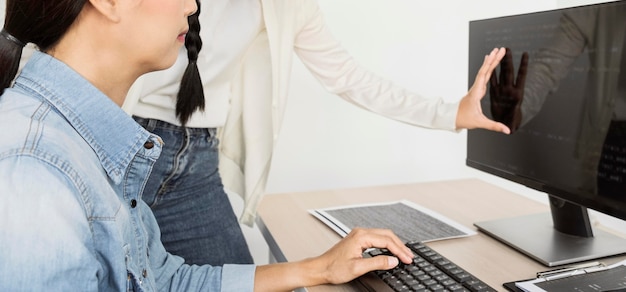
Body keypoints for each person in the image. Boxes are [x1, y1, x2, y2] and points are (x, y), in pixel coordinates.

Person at [0, 0, 423, 290]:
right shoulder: (35, 171)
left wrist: (319, 268)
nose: (191, 5)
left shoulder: (82, 148)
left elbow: (161, 281)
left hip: (192, 159)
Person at [121, 0, 512, 266]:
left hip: (196, 165)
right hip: (119, 138)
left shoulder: (290, 5)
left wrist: (450, 113)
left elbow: (347, 76)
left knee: (233, 279)